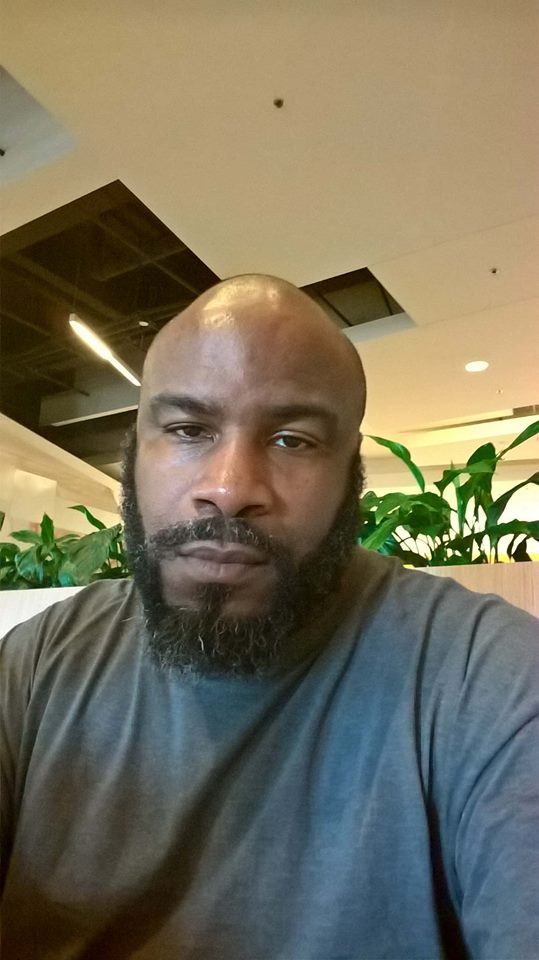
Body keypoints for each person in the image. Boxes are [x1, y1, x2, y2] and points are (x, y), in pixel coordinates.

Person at [0, 275, 537, 959]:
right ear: (134, 452)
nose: (229, 489)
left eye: (292, 440)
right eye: (188, 429)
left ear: (350, 474)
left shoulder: (487, 679)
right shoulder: (39, 664)